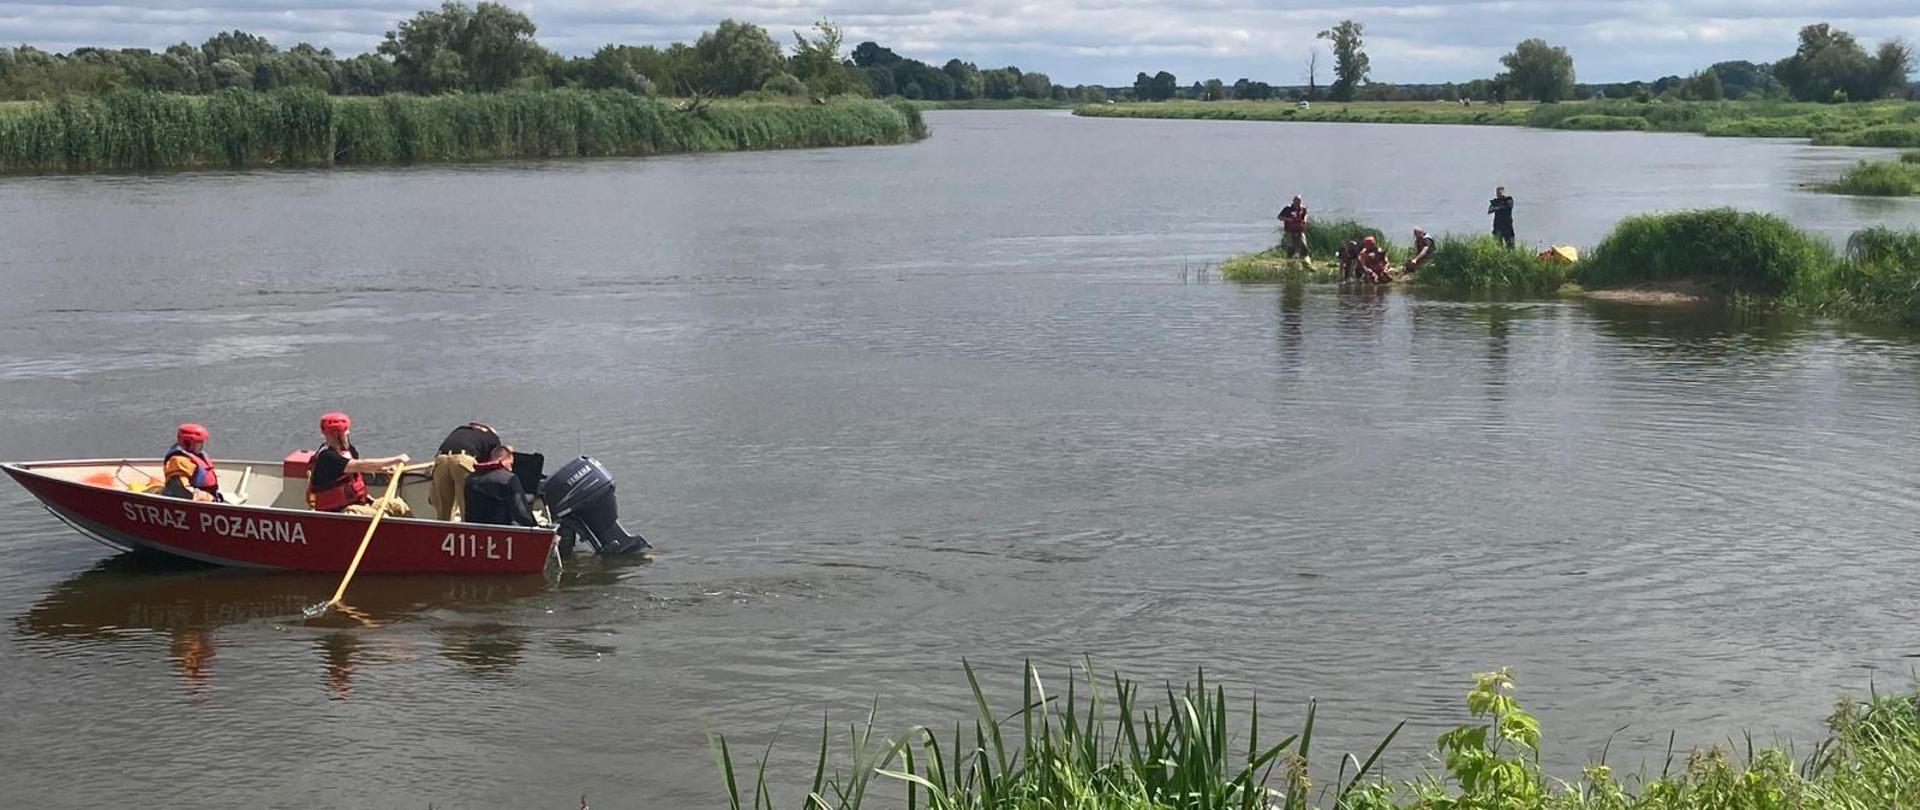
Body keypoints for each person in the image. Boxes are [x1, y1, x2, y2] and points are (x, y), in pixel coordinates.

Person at [306, 411, 411, 517]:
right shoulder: (327, 456)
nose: (348, 433)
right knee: (383, 516)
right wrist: (396, 459)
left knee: (398, 505)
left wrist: (384, 468)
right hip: (340, 512)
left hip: (360, 504)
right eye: (345, 431)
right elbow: (361, 465)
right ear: (335, 433)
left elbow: (358, 469)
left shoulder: (348, 451)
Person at [429, 421, 501, 522]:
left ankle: (442, 532)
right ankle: (466, 529)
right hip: (463, 460)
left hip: (441, 459)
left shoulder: (460, 429)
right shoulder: (493, 438)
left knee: (443, 508)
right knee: (467, 505)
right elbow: (491, 465)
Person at [463, 445, 535, 527]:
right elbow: (520, 510)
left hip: (475, 528)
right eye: (511, 464)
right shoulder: (509, 478)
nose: (511, 469)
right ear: (504, 460)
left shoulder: (470, 478)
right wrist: (532, 525)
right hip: (503, 529)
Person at [162, 423, 222, 503]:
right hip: (191, 502)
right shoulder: (179, 460)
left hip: (209, 498)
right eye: (199, 443)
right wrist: (207, 498)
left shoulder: (197, 455)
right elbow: (180, 490)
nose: (202, 446)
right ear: (187, 442)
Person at [1276, 195, 1309, 260]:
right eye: (1296, 201)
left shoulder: (1302, 209)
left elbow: (1305, 214)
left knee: (1304, 247)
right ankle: (1289, 261)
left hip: (1300, 230)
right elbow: (1279, 217)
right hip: (1289, 230)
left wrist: (1304, 220)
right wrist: (1288, 219)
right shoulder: (1288, 208)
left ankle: (1304, 260)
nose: (1298, 203)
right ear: (1293, 201)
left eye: (1299, 201)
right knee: (1291, 248)